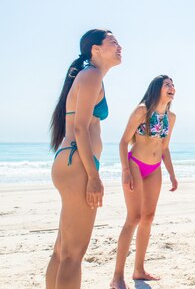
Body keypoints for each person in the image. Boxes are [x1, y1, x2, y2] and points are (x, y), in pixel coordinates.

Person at [46, 29, 122, 289]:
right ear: (96, 49)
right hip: (79, 162)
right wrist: (94, 177)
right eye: (113, 42)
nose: (119, 46)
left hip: (70, 159)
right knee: (73, 255)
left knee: (62, 251)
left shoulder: (90, 75)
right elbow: (81, 128)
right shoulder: (91, 75)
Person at [110, 75, 178, 289]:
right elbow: (122, 142)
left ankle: (138, 269)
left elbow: (164, 148)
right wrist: (125, 171)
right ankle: (117, 277)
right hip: (136, 165)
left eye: (173, 85)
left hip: (155, 168)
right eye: (167, 84)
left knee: (148, 217)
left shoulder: (171, 117)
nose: (172, 88)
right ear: (157, 88)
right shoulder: (142, 110)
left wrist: (172, 174)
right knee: (134, 217)